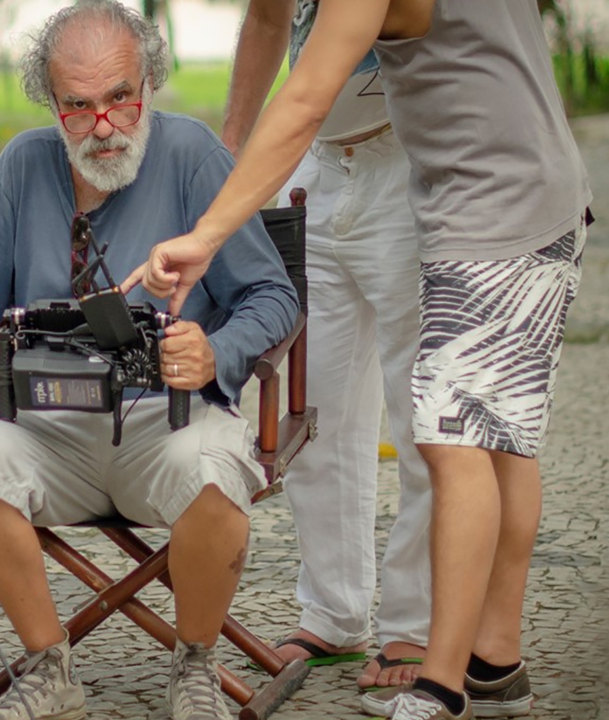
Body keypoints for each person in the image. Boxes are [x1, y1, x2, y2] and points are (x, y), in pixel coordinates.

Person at [125, 1, 591, 719]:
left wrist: (209, 231)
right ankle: (494, 662)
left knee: (447, 435)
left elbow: (308, 95)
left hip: (498, 208)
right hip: (497, 197)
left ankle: (438, 674)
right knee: (496, 441)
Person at [0, 2, 298, 718]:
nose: (102, 125)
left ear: (150, 82)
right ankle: (47, 665)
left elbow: (273, 299)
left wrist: (216, 351)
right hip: (44, 428)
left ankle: (196, 664)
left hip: (168, 423)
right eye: (78, 107)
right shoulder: (22, 168)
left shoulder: (191, 156)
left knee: (213, 471)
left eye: (120, 99)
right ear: (51, 104)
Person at [221, 0, 431, 689]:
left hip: (410, 162)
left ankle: (417, 631)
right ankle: (335, 615)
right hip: (317, 166)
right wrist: (231, 150)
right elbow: (266, 16)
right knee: (316, 405)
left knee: (423, 412)